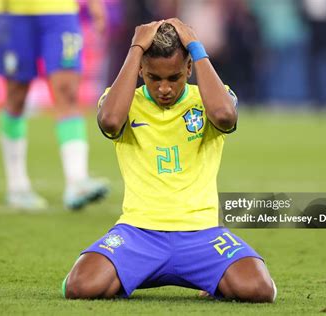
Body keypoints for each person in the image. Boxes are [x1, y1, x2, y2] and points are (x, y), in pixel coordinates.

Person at [62, 19, 276, 302]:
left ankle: (203, 276)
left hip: (202, 234)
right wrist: (135, 48)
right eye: (154, 78)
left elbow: (226, 117)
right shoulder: (124, 102)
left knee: (258, 289)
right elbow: (111, 122)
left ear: (189, 68)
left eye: (174, 78)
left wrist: (196, 48)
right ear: (141, 70)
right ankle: (146, 272)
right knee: (80, 287)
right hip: (138, 233)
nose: (164, 88)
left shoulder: (210, 100)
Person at [0, 0, 108, 210]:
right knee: (16, 96)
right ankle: (17, 186)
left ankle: (77, 181)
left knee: (68, 92)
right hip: (15, 12)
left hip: (60, 11)